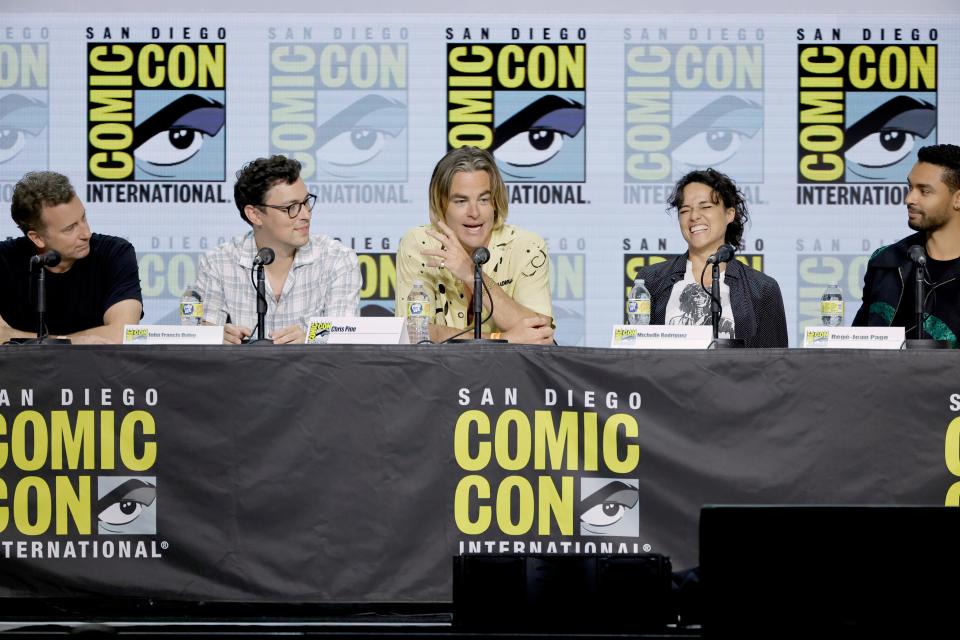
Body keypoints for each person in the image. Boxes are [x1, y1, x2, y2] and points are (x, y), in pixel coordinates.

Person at [195, 155, 361, 345]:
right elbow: (201, 339)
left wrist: (310, 339)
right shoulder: (218, 262)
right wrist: (217, 338)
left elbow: (345, 334)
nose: (306, 215)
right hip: (241, 373)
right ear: (255, 215)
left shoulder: (337, 258)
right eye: (291, 207)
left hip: (312, 373)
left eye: (306, 202)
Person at [395, 146, 554, 344]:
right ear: (440, 204)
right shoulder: (421, 244)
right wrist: (501, 339)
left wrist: (471, 274)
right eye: (461, 201)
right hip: (438, 372)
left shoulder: (526, 246)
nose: (474, 212)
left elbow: (541, 333)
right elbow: (414, 333)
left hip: (510, 373)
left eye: (484, 199)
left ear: (495, 202)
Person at [637, 168, 787, 348]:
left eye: (705, 207)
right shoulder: (651, 280)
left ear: (729, 214)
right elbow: (634, 355)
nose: (694, 216)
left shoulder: (762, 289)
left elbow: (775, 364)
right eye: (685, 210)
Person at [0, 171, 142, 344]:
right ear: (37, 238)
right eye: (70, 228)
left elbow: (123, 334)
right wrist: (75, 343)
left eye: (83, 218)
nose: (86, 233)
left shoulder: (114, 253)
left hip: (95, 370)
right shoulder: (4, 260)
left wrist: (26, 339)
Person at [853, 144, 960, 346]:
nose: (909, 199)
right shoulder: (885, 262)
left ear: (958, 199)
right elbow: (858, 350)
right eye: (910, 187)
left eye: (924, 191)